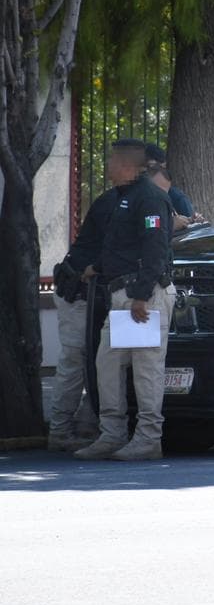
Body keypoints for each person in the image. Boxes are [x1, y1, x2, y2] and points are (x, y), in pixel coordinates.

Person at [75, 139, 176, 461]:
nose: (107, 166)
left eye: (112, 160)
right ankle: (112, 434)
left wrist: (142, 295)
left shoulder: (149, 199)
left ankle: (148, 438)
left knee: (146, 369)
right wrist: (97, 268)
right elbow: (122, 247)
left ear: (127, 166)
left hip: (143, 296)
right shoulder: (125, 198)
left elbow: (155, 249)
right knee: (106, 363)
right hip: (123, 294)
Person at [46, 187, 120, 451]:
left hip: (97, 294)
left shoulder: (131, 200)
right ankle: (61, 430)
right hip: (78, 292)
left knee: (102, 360)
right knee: (76, 360)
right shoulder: (117, 203)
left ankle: (87, 423)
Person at [144, 143, 204, 230]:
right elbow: (143, 226)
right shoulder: (133, 197)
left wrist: (191, 220)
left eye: (162, 168)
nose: (160, 173)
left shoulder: (175, 197)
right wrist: (170, 225)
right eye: (153, 168)